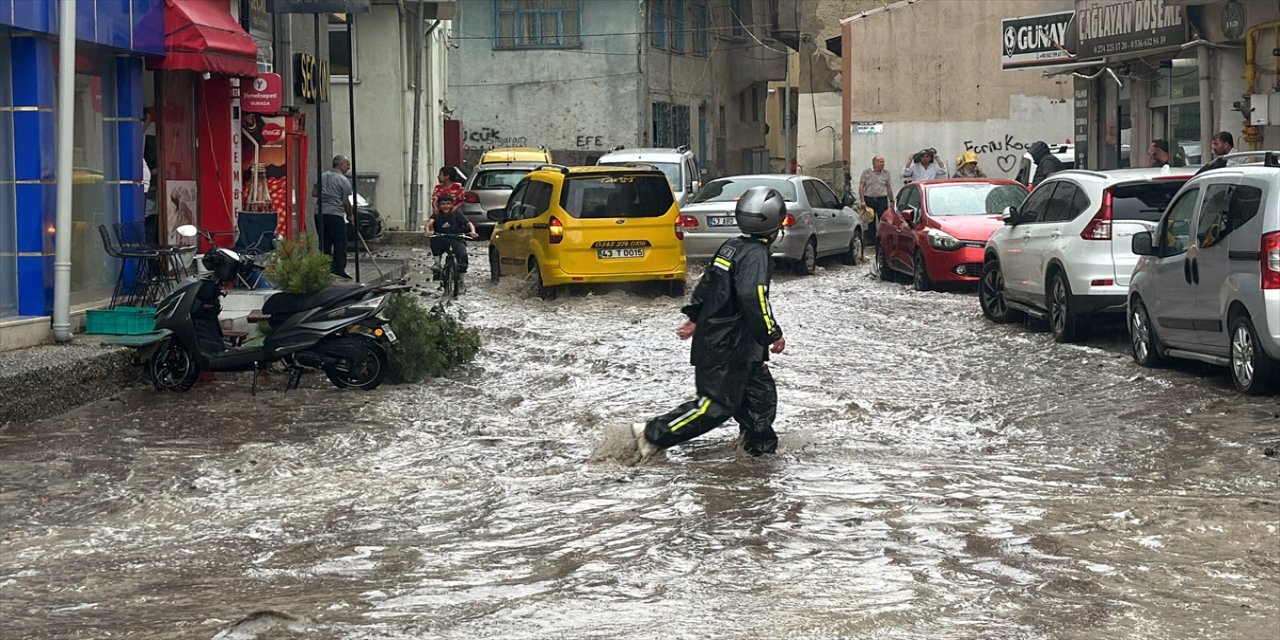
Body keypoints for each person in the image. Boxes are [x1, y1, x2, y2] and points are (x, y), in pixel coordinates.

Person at [630, 186, 787, 462]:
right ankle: (652, 434)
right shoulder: (755, 255)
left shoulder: (732, 246)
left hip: (737, 346)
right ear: (775, 222)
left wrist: (694, 317)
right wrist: (772, 333)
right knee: (715, 405)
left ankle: (759, 456)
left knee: (760, 398)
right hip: (728, 346)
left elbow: (708, 283)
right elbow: (753, 296)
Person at [426, 194, 479, 286]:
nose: (445, 206)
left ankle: (461, 280)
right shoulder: (436, 215)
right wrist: (428, 231)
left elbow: (469, 224)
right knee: (434, 240)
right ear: (439, 205)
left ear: (452, 205)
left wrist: (473, 232)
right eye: (442, 204)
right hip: (442, 238)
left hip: (456, 238)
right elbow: (429, 223)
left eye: (448, 204)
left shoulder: (457, 214)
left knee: (462, 254)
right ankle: (437, 263)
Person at [318, 154, 354, 279]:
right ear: (340, 164)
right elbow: (345, 201)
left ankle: (324, 267)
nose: (349, 167)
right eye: (347, 164)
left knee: (324, 241)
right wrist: (350, 215)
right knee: (340, 242)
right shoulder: (343, 180)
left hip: (320, 213)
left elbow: (314, 193)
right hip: (335, 214)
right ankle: (338, 269)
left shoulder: (322, 176)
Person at [858, 155, 892, 243]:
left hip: (882, 199)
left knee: (883, 219)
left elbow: (888, 187)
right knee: (870, 220)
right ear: (875, 163)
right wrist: (862, 200)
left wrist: (891, 200)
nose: (883, 164)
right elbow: (861, 186)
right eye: (881, 162)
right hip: (869, 198)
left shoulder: (886, 173)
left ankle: (882, 239)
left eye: (883, 162)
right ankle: (871, 240)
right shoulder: (866, 172)